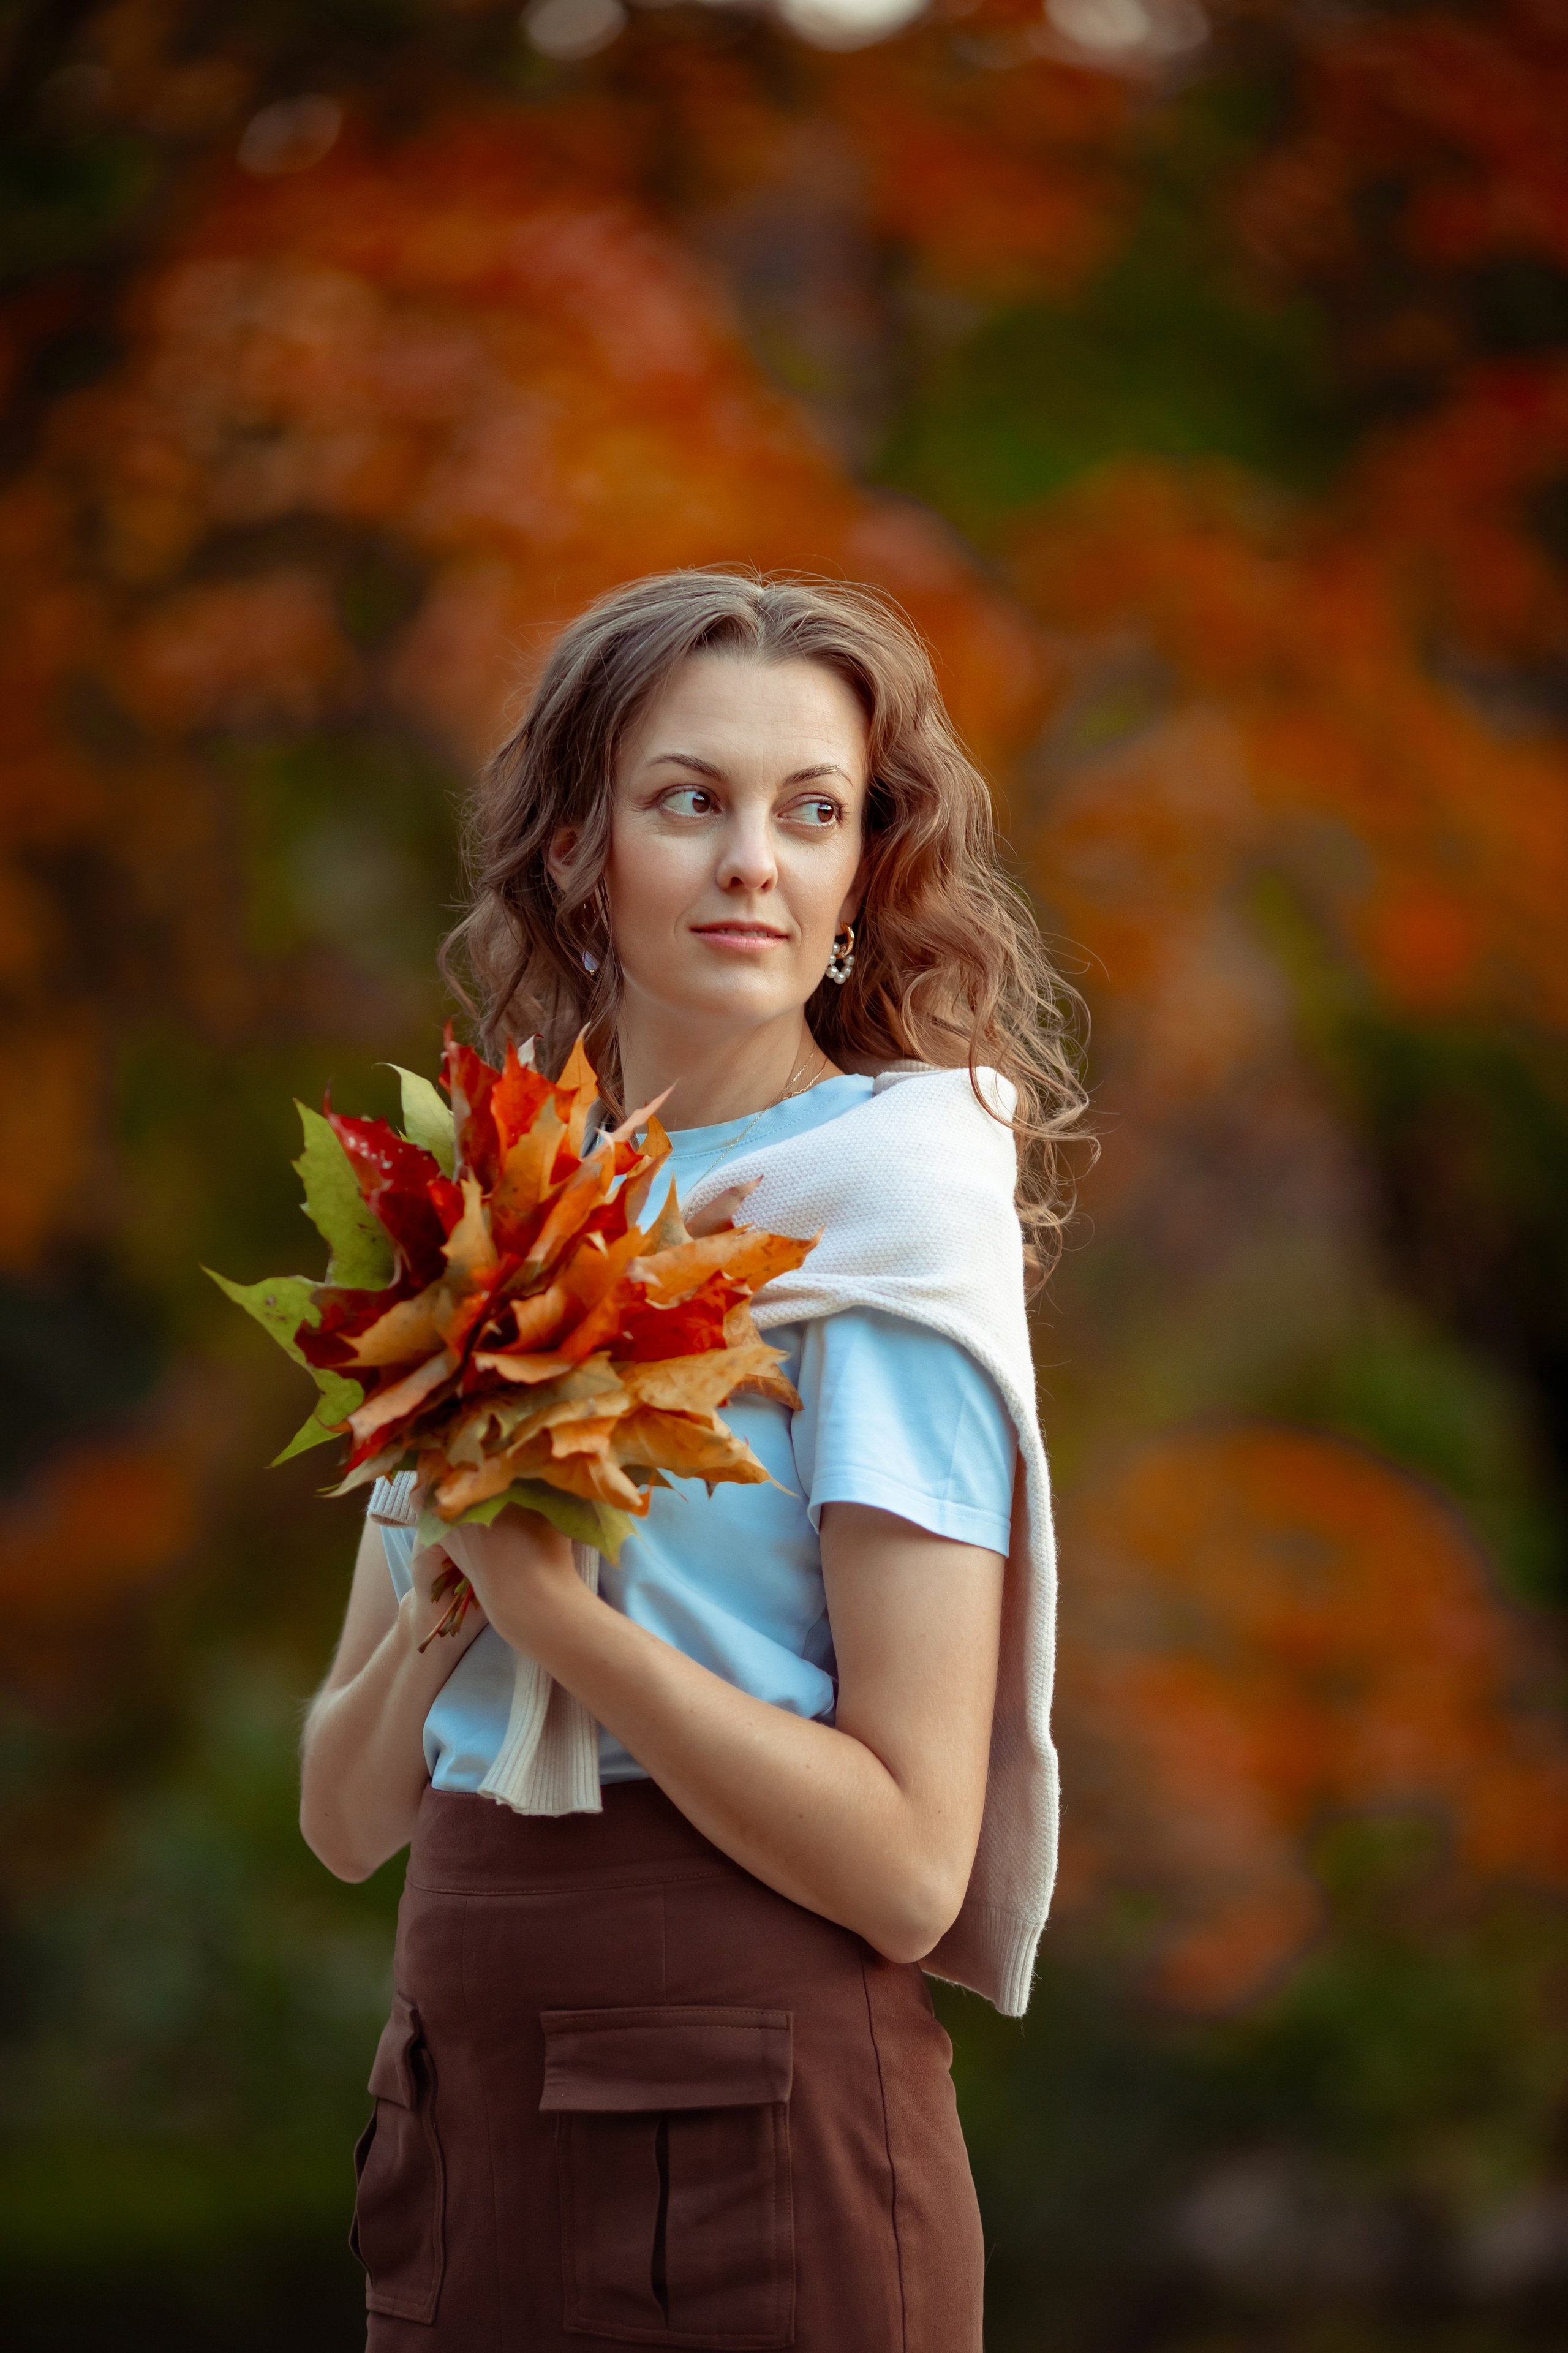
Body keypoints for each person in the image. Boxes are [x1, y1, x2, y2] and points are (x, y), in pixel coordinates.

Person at [298, 568, 1086, 2352]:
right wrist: (448, 1608)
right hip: (462, 2103)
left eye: (813, 812)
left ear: (860, 877)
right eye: (690, 800)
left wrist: (565, 1627)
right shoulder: (483, 1220)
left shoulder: (881, 1232)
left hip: (758, 2149)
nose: (754, 861)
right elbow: (346, 1818)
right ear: (579, 849)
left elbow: (906, 1865)